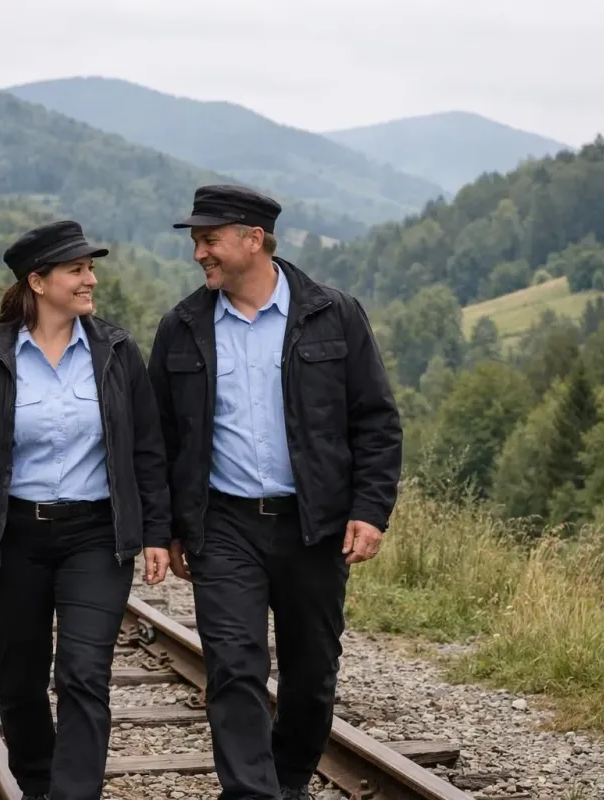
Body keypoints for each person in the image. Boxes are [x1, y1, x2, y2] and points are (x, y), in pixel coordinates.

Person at [147, 185, 403, 800]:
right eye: (196, 242)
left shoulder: (334, 314)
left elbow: (375, 420)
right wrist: (166, 527)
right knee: (233, 667)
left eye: (209, 240)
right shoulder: (182, 327)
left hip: (314, 526)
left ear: (253, 239)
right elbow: (158, 440)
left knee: (311, 677)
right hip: (224, 525)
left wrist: (370, 511)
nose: (199, 254)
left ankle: (287, 783)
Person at [0, 219, 172, 800]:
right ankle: (37, 783)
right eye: (77, 270)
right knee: (20, 676)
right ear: (38, 283)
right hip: (13, 537)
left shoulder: (116, 352)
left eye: (91, 269)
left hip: (96, 536)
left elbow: (147, 448)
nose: (91, 280)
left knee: (84, 672)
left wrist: (157, 532)